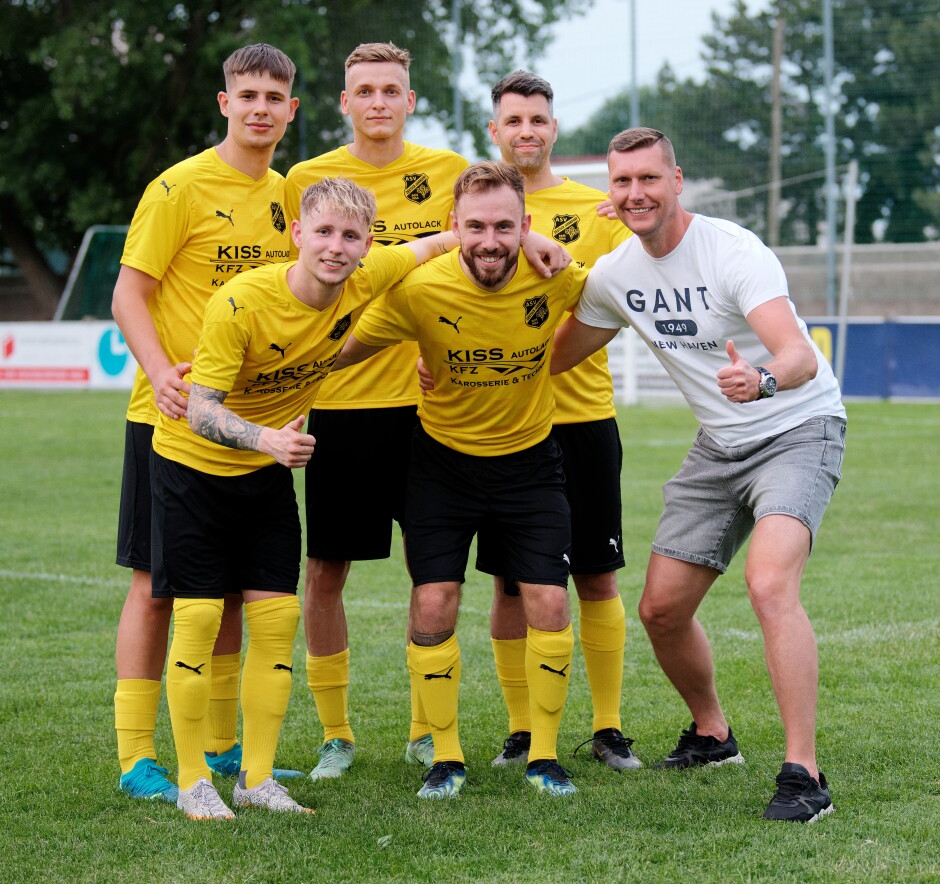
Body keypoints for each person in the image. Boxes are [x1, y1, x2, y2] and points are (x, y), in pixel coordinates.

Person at [153, 177, 487, 819]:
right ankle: (194, 780)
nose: (337, 247)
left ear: (367, 246)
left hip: (265, 478)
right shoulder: (241, 302)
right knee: (197, 622)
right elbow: (198, 410)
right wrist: (265, 440)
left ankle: (256, 779)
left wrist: (528, 239)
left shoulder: (366, 276)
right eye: (325, 232)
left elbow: (437, 243)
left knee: (277, 621)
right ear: (297, 234)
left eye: (352, 236)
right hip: (193, 472)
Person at [551, 127, 846, 823]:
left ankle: (804, 774)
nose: (635, 193)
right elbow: (553, 356)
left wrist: (763, 378)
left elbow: (797, 355)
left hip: (797, 428)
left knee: (769, 582)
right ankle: (713, 733)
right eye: (622, 183)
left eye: (648, 179)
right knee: (660, 609)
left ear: (676, 180)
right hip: (719, 445)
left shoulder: (732, 250)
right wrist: (455, 365)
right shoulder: (618, 274)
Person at [332, 162, 588, 800]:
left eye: (506, 226)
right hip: (442, 466)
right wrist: (258, 381)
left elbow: (620, 300)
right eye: (475, 226)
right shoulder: (420, 290)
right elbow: (340, 351)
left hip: (531, 466)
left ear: (527, 226)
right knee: (433, 602)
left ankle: (544, 757)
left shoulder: (559, 278)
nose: (490, 240)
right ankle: (445, 757)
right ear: (453, 227)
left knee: (550, 603)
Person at [110, 43, 299, 804]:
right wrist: (160, 373)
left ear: (291, 110)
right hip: (170, 419)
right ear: (225, 103)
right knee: (157, 587)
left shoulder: (291, 194)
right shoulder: (178, 187)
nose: (260, 108)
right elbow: (130, 293)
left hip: (248, 427)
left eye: (274, 96)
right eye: (246, 94)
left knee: (226, 591)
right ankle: (135, 758)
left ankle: (222, 748)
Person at [283, 42, 469, 781]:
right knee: (325, 571)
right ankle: (337, 734)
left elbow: (471, 258)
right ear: (344, 101)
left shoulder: (448, 172)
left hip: (427, 408)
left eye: (393, 88)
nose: (380, 101)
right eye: (365, 89)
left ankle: (428, 730)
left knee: (434, 569)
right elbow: (288, 285)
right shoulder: (308, 179)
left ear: (411, 99)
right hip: (340, 406)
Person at [482, 70, 639, 773]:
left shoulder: (595, 211)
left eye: (537, 120)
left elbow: (614, 303)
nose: (526, 130)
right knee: (511, 583)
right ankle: (522, 729)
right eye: (513, 119)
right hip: (505, 425)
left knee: (597, 575)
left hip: (581, 417)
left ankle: (607, 728)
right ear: (495, 130)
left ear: (554, 128)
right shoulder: (477, 204)